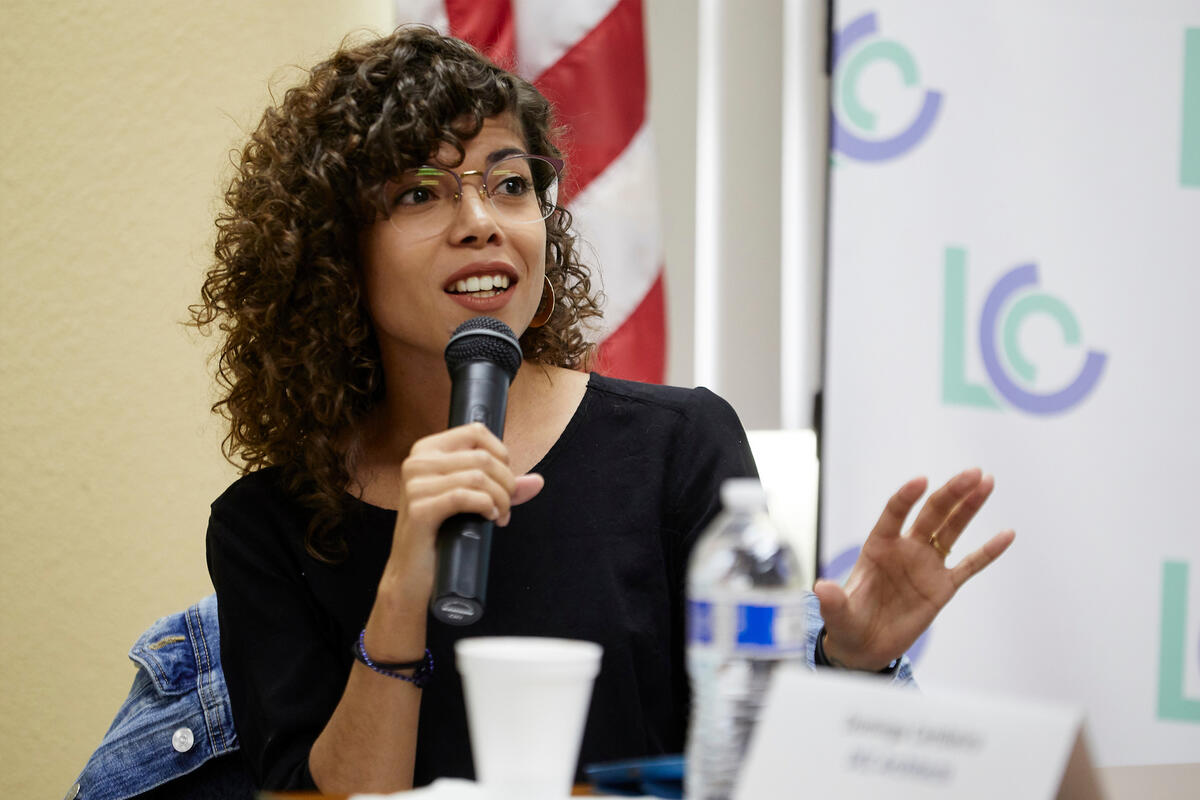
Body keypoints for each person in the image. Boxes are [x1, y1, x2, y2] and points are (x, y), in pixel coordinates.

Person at [196, 25, 1015, 795]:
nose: (481, 222)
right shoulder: (266, 526)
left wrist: (849, 668)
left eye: (510, 183)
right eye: (422, 192)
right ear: (336, 254)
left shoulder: (677, 444)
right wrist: (406, 584)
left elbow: (747, 776)